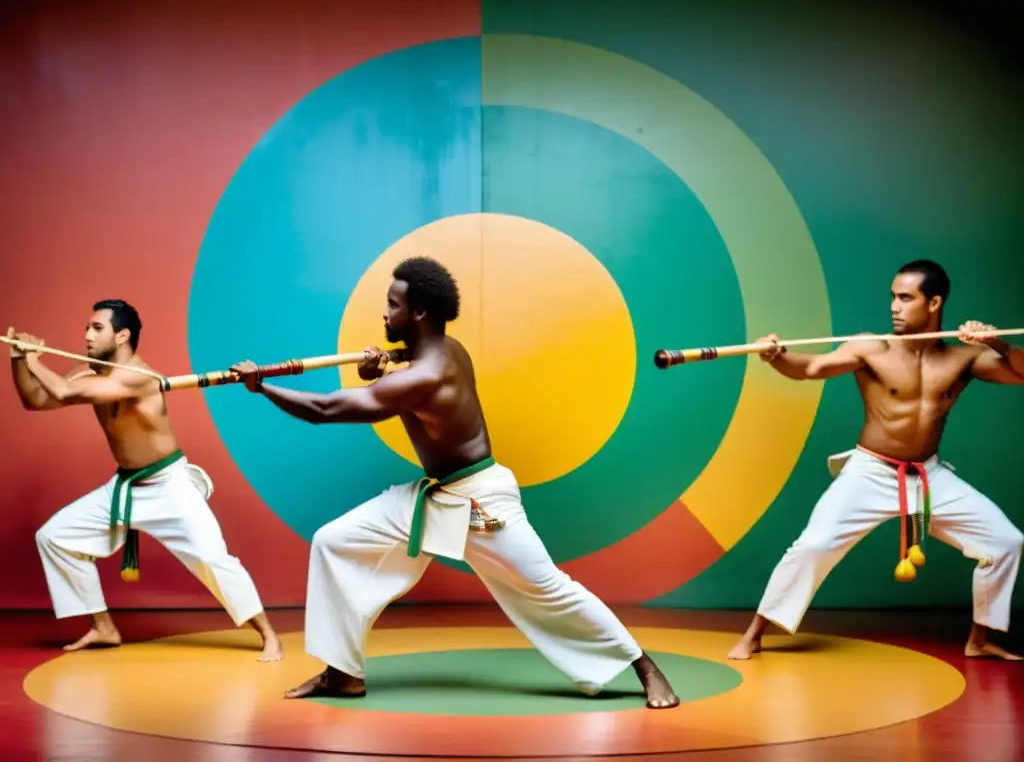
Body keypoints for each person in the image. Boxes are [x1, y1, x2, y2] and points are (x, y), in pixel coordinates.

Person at [229, 256, 680, 708]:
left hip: (481, 501)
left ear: (419, 313)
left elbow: (325, 410)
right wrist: (381, 368)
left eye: (393, 304)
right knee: (333, 541)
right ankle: (343, 672)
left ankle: (644, 666)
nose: (384, 314)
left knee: (547, 587)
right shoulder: (447, 349)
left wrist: (261, 385)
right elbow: (404, 375)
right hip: (437, 495)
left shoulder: (424, 376)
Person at [728, 259, 1024, 662]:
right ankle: (754, 635)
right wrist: (777, 356)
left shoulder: (961, 358)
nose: (894, 306)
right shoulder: (872, 347)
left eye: (906, 298)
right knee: (813, 546)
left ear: (934, 302)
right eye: (893, 297)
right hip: (869, 473)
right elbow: (813, 367)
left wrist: (998, 344)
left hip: (927, 475)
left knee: (1006, 541)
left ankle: (980, 639)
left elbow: (1020, 372)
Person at [10, 300, 283, 660]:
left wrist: (34, 359)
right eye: (87, 328)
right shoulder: (88, 373)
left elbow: (62, 391)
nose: (86, 335)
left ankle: (269, 636)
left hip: (169, 485)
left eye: (96, 328)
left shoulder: (140, 377)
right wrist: (18, 359)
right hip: (126, 486)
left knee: (215, 560)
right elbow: (37, 400)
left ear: (121, 335)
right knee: (54, 537)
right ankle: (103, 627)